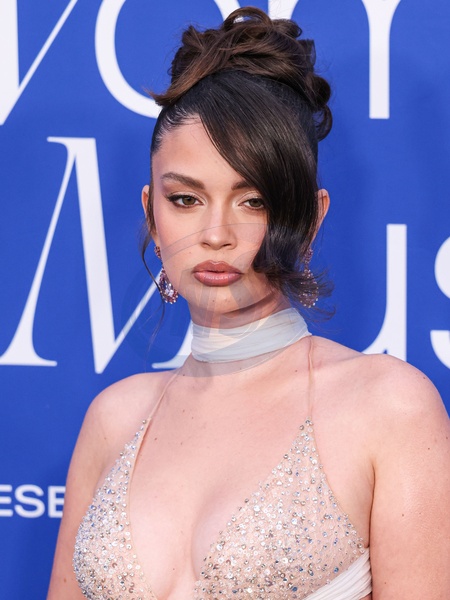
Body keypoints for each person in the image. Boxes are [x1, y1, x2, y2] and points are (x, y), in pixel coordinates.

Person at [47, 7, 450, 600]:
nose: (216, 234)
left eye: (253, 200)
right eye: (186, 200)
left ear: (310, 219)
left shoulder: (388, 407)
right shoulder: (114, 419)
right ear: (152, 214)